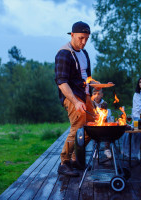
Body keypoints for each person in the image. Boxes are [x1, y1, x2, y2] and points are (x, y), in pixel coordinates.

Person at [55, 21, 99, 176]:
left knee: (92, 128)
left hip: (85, 95)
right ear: (72, 35)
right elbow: (61, 82)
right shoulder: (64, 53)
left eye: (86, 38)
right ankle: (64, 162)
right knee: (78, 127)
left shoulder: (84, 53)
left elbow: (86, 77)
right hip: (72, 96)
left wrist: (96, 84)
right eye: (81, 38)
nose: (84, 42)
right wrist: (75, 101)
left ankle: (75, 159)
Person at [91, 88, 112, 159]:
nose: (96, 96)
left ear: (102, 95)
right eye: (94, 94)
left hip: (103, 123)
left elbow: (105, 114)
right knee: (95, 132)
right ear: (92, 95)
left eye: (98, 94)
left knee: (108, 131)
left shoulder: (104, 103)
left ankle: (107, 149)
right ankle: (95, 149)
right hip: (94, 124)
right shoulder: (91, 103)